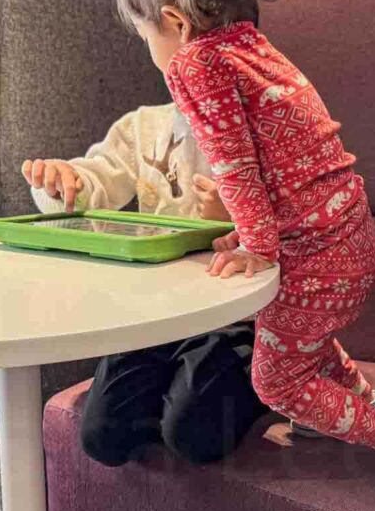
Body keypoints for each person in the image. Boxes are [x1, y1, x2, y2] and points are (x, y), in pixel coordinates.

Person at [116, 0, 375, 467]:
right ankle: (361, 399)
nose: (150, 48)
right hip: (349, 242)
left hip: (313, 258)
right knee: (302, 344)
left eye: (144, 34)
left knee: (276, 383)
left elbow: (236, 166)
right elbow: (282, 167)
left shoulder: (194, 63)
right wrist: (251, 233)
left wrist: (258, 245)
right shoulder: (251, 47)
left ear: (174, 23)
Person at [21, 105, 266, 465]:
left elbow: (293, 226)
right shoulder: (144, 127)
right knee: (102, 436)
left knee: (194, 433)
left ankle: (257, 381)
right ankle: (178, 389)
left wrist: (239, 217)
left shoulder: (263, 124)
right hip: (157, 317)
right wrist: (62, 183)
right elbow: (93, 184)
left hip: (232, 317)